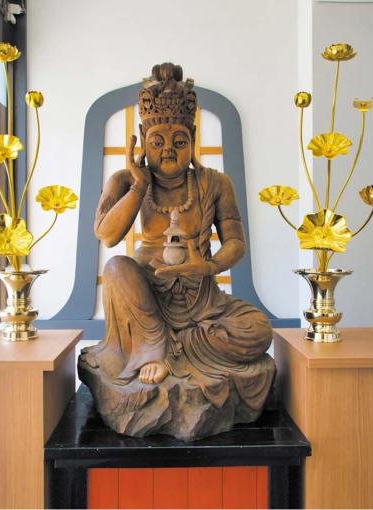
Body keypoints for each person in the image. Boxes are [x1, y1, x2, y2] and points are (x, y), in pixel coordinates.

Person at [80, 63, 274, 411]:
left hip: (203, 301)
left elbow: (236, 242)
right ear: (143, 138)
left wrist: (208, 267)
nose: (168, 149)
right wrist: (139, 187)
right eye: (157, 141)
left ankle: (176, 346)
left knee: (259, 330)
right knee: (115, 268)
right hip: (145, 299)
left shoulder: (215, 183)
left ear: (194, 138)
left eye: (179, 141)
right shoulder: (125, 181)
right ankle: (154, 346)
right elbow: (107, 236)